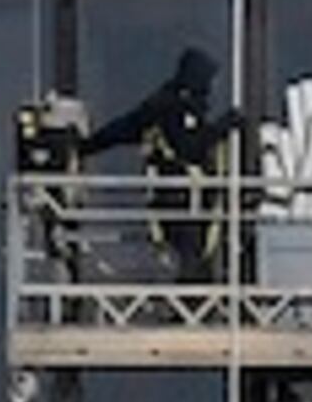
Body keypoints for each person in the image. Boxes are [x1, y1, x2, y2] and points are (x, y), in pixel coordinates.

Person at [82, 47, 244, 282]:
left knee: (200, 261)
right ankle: (189, 298)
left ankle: (195, 294)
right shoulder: (169, 107)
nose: (211, 87)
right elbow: (188, 147)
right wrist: (223, 127)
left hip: (197, 203)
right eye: (208, 79)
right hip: (178, 202)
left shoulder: (180, 105)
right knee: (190, 263)